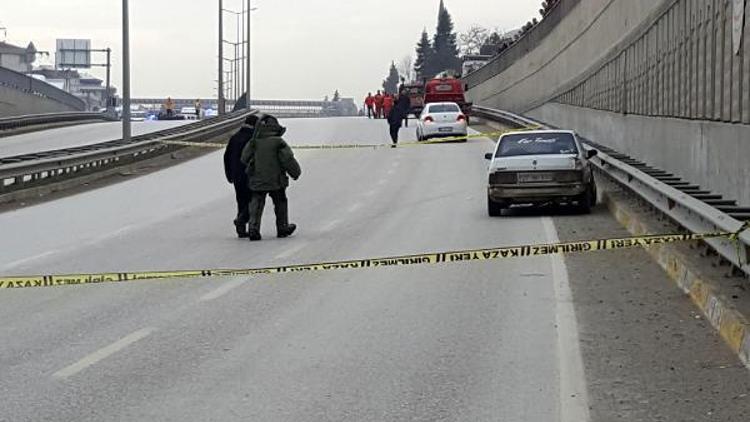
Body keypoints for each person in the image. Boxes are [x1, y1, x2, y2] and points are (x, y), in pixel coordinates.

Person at [241, 114, 302, 241]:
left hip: (257, 180)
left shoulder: (254, 142)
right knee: (280, 202)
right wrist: (295, 172)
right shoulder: (278, 142)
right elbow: (287, 159)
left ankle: (253, 228)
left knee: (256, 204)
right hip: (277, 180)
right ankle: (282, 227)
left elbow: (244, 158)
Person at [224, 115, 258, 238]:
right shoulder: (253, 138)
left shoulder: (235, 137)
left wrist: (229, 174)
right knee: (253, 200)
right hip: (250, 174)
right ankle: (243, 222)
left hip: (237, 175)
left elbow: (227, 157)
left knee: (241, 200)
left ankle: (242, 228)